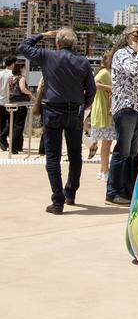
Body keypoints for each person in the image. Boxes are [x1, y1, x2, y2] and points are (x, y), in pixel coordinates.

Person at [18, 29, 95, 213]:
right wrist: (84, 105)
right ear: (74, 44)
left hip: (53, 110)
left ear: (57, 43)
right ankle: (70, 193)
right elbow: (91, 89)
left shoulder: (47, 56)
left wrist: (43, 35)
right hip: (74, 111)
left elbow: (23, 47)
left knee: (53, 157)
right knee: (75, 155)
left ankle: (57, 201)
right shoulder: (83, 61)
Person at [106, 25, 138, 205]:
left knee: (132, 153)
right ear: (126, 36)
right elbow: (131, 71)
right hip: (126, 107)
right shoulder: (122, 54)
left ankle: (127, 191)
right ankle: (113, 192)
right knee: (122, 152)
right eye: (136, 33)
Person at [89, 52, 115, 182]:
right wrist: (109, 88)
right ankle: (105, 170)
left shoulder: (108, 72)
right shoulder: (105, 72)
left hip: (106, 110)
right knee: (106, 143)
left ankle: (103, 169)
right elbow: (94, 84)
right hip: (104, 111)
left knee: (107, 143)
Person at [7, 61, 33, 155]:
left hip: (12, 103)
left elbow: (9, 91)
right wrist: (30, 93)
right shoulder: (21, 78)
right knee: (19, 126)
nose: (25, 70)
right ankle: (14, 147)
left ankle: (16, 146)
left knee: (14, 125)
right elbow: (22, 89)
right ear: (21, 68)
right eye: (24, 68)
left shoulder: (11, 78)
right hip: (21, 104)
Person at [0, 55, 16, 151]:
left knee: (2, 123)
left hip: (0, 100)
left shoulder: (1, 73)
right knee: (11, 122)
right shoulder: (12, 75)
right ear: (13, 64)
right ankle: (3, 137)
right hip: (9, 102)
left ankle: (3, 143)